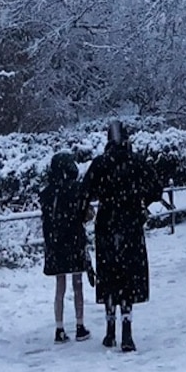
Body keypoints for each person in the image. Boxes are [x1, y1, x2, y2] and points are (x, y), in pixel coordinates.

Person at [84, 119, 154, 353]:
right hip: (131, 225)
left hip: (107, 225)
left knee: (109, 276)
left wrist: (95, 202)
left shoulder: (100, 164)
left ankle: (109, 330)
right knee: (128, 278)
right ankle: (127, 332)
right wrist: (141, 200)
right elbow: (156, 187)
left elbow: (86, 191)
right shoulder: (136, 163)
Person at [40, 147, 91, 341]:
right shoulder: (76, 189)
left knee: (59, 285)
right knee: (77, 283)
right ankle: (79, 325)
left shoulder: (47, 193)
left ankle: (59, 328)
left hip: (55, 244)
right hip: (74, 240)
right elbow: (85, 214)